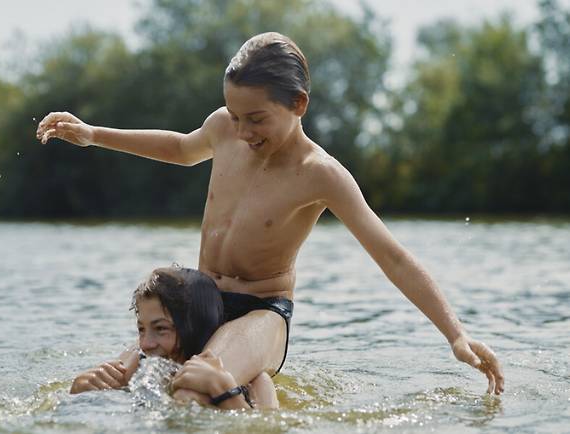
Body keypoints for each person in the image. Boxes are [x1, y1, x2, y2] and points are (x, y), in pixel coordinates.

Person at [37, 32, 505, 396]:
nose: (241, 131)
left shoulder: (320, 175)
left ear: (298, 104)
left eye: (256, 119)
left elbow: (393, 257)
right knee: (97, 388)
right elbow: (181, 148)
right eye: (235, 116)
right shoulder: (224, 127)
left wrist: (456, 335)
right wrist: (93, 134)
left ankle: (248, 393)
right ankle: (250, 390)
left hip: (262, 314)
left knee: (196, 385)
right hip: (200, 302)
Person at [70, 266, 279, 409]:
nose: (145, 344)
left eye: (161, 329)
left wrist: (225, 392)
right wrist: (79, 390)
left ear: (196, 327)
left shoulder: (254, 383)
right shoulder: (138, 368)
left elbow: (266, 428)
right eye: (141, 329)